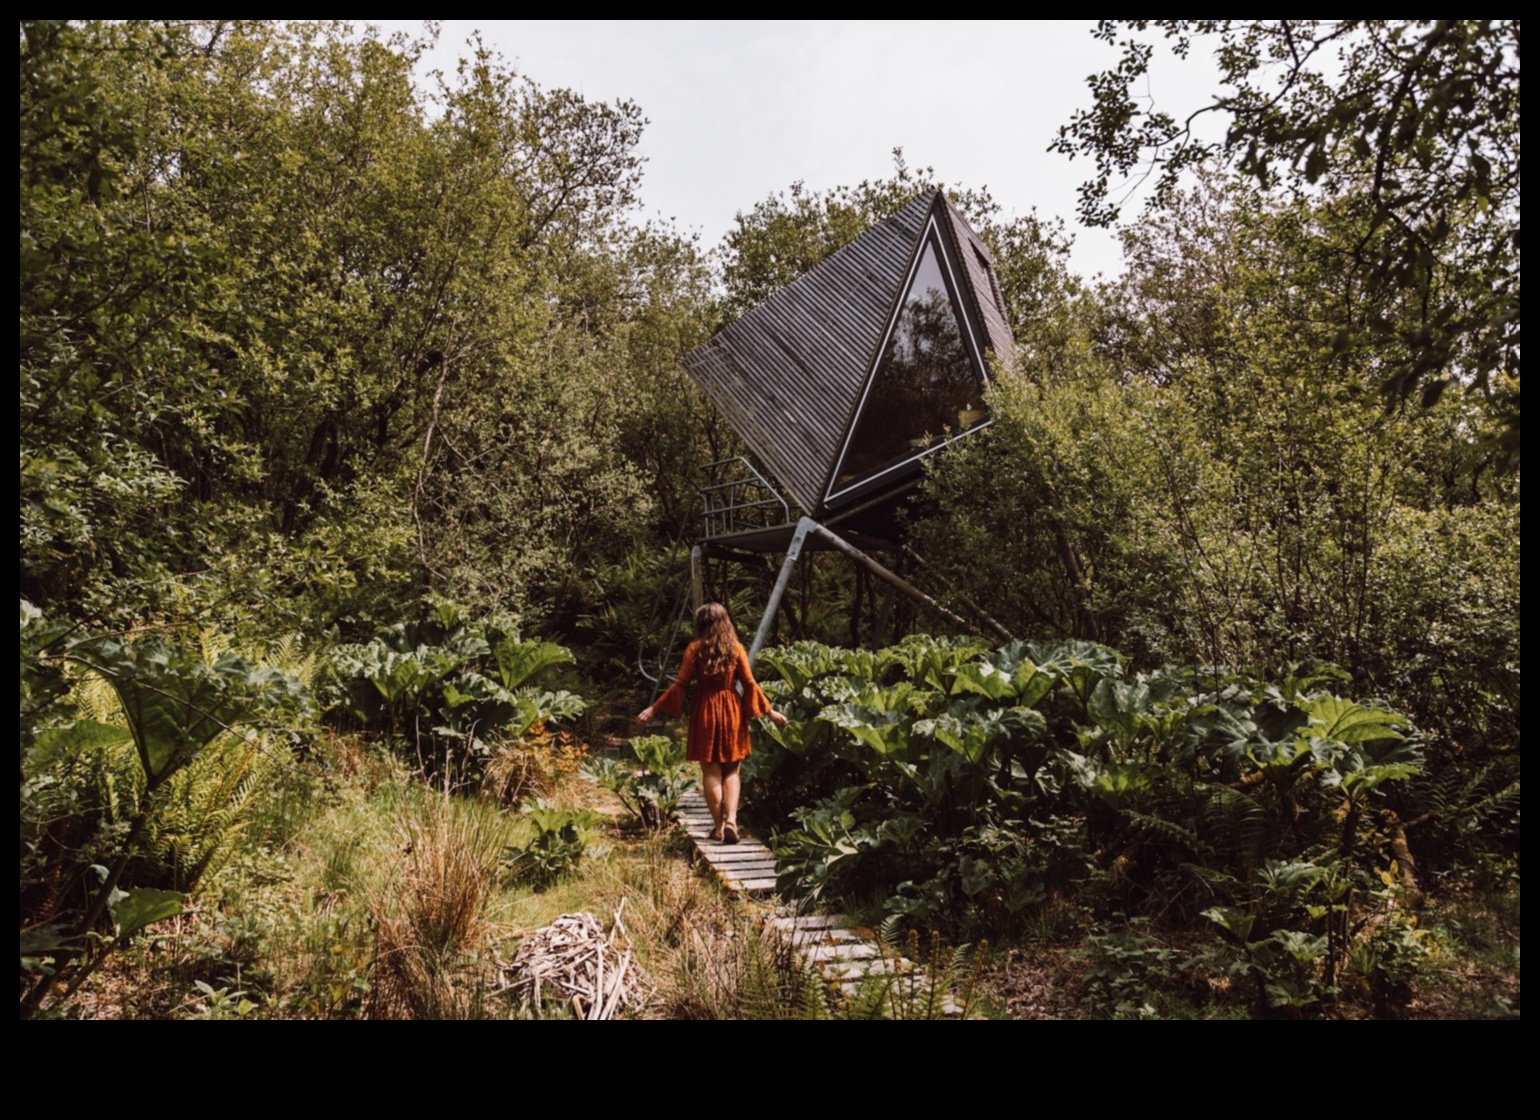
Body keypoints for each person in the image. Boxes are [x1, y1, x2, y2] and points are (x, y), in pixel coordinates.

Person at [637, 602, 788, 844]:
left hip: (705, 711)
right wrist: (770, 712)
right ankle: (732, 821)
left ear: (700, 624)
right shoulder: (736, 648)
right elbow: (750, 684)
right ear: (725, 622)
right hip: (731, 711)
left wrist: (654, 708)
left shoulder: (695, 649)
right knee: (732, 770)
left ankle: (718, 828)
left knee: (711, 771)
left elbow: (679, 685)